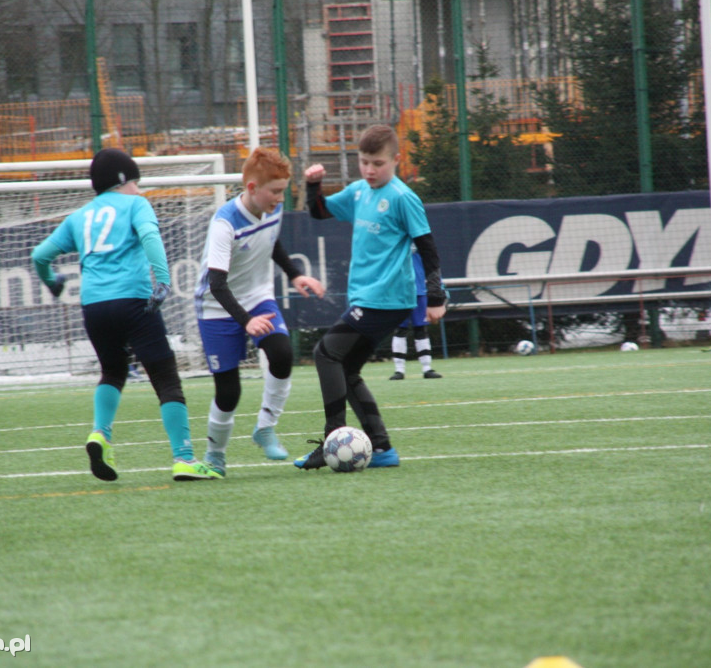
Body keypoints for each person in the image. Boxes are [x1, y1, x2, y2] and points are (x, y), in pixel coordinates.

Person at [31, 148, 221, 481]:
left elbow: (39, 256)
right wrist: (162, 280)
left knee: (112, 371)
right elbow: (149, 236)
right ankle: (185, 458)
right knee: (165, 379)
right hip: (133, 301)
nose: (139, 190)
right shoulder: (136, 205)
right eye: (136, 183)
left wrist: (54, 284)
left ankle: (99, 434)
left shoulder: (79, 217)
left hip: (94, 307)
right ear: (123, 182)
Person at [295, 124, 447, 470]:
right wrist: (313, 183)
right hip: (366, 298)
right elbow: (319, 211)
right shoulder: (359, 191)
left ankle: (332, 439)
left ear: (396, 159)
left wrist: (435, 296)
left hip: (388, 298)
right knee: (346, 370)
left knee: (325, 353)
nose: (369, 170)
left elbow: (428, 248)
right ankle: (382, 449)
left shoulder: (402, 197)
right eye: (364, 162)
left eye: (377, 163)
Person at [194, 147, 325, 477]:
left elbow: (272, 242)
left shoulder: (272, 208)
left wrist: (295, 274)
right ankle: (215, 456)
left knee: (281, 352)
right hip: (216, 307)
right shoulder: (224, 224)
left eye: (284, 191)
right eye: (276, 192)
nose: (280, 199)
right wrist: (246, 321)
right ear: (252, 188)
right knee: (229, 391)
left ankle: (265, 426)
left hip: (257, 297)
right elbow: (217, 284)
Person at [389, 249, 442, 380]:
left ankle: (427, 368)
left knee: (421, 329)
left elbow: (433, 265)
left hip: (421, 290)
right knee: (400, 330)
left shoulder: (423, 242)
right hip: (400, 292)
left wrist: (439, 289)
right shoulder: (394, 242)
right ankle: (399, 370)